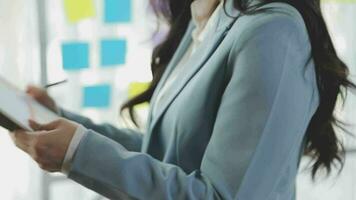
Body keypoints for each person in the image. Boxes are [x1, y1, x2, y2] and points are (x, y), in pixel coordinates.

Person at [10, 0, 355, 199]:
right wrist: (62, 120)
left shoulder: (272, 32)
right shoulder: (206, 17)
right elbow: (166, 150)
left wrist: (76, 153)